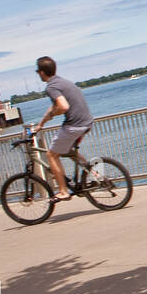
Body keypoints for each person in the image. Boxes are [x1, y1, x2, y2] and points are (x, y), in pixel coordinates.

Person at [30, 56, 95, 203]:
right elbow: (54, 107)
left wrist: (55, 112)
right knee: (70, 152)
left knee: (51, 155)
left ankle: (63, 191)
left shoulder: (51, 87)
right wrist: (41, 124)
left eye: (37, 72)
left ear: (41, 72)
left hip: (74, 125)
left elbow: (63, 106)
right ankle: (95, 175)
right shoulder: (63, 82)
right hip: (86, 122)